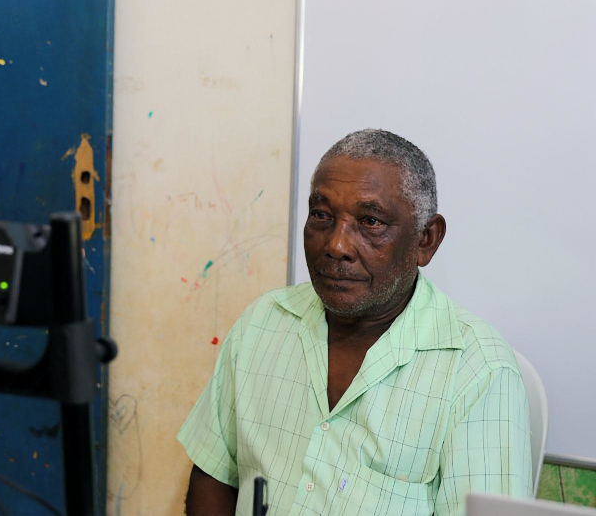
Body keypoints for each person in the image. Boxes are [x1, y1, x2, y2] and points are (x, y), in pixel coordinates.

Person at [178, 129, 532, 516]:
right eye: (322, 216)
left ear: (426, 240)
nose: (337, 245)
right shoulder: (263, 323)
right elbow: (215, 475)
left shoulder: (478, 370)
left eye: (370, 222)